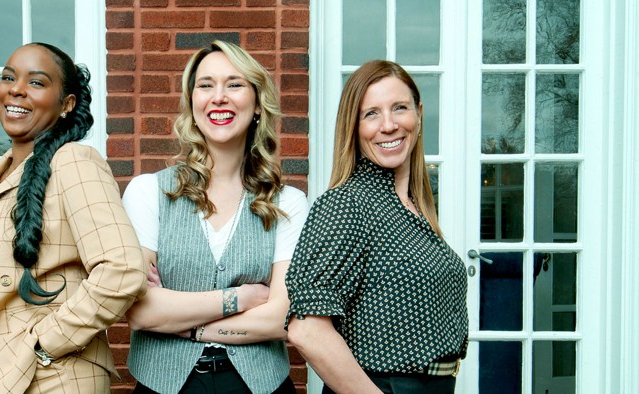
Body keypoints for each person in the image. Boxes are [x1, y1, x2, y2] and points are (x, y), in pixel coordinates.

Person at [0, 42, 147, 393]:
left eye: (37, 82)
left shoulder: (74, 160)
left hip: (47, 377)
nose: (16, 89)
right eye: (9, 77)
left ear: (67, 104)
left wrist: (45, 344)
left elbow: (122, 269)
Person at [122, 40, 309, 394]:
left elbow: (279, 318)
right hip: (164, 386)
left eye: (234, 84)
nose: (218, 97)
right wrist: (238, 298)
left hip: (260, 387)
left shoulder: (289, 203)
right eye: (205, 85)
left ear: (256, 104)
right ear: (192, 102)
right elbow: (140, 311)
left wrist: (189, 326)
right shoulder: (148, 192)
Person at [285, 60, 468, 394]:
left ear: (419, 113)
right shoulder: (348, 204)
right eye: (371, 114)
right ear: (353, 126)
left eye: (400, 108)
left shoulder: (413, 207)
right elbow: (306, 328)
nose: (388, 125)